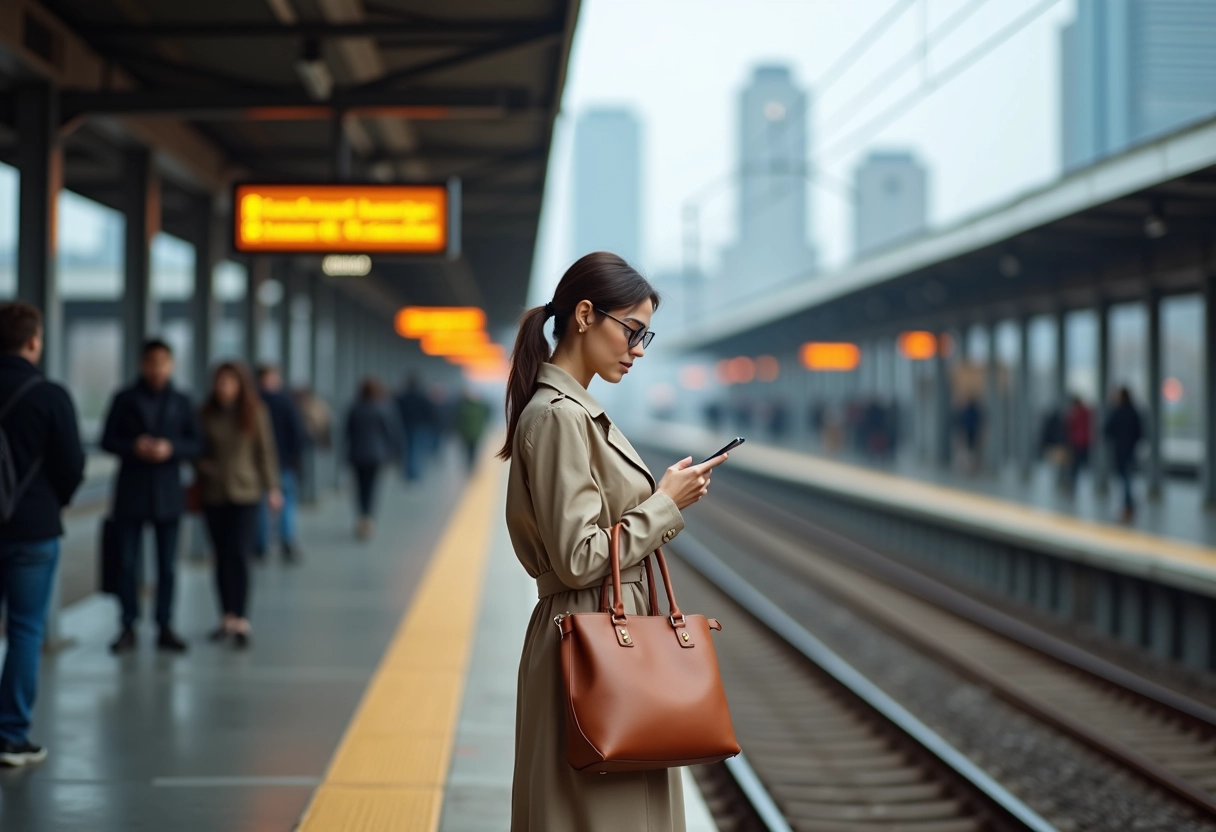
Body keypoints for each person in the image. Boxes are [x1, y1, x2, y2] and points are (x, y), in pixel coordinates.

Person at [501, 252, 727, 830]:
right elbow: (579, 558)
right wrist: (665, 503)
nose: (638, 349)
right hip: (589, 642)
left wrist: (662, 501)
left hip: (601, 636)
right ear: (584, 315)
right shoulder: (559, 417)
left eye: (644, 335)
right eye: (631, 330)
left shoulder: (573, 412)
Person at [0, 302, 85, 767]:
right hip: (33, 528)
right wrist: (55, 501)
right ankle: (10, 735)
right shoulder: (49, 395)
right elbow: (71, 464)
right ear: (34, 341)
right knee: (25, 629)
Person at [100, 339, 202, 654]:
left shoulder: (182, 401)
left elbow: (198, 443)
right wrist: (134, 446)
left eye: (162, 363)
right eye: (151, 362)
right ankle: (127, 623)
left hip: (168, 492)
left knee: (167, 566)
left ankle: (164, 624)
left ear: (171, 365)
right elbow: (106, 439)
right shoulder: (124, 398)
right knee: (126, 563)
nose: (157, 369)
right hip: (132, 490)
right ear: (142, 364)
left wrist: (171, 449)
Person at [196, 362, 281, 649]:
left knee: (240, 553)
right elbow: (195, 447)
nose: (224, 388)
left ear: (241, 385)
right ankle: (226, 616)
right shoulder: (206, 413)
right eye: (220, 382)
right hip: (214, 492)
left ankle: (242, 617)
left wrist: (272, 487)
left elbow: (265, 451)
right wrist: (201, 465)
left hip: (246, 492)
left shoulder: (255, 412)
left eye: (230, 382)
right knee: (220, 555)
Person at [255, 364, 308, 563]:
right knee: (286, 502)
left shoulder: (253, 401)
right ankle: (286, 541)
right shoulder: (286, 402)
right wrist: (295, 458)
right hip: (284, 461)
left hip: (259, 464)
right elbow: (297, 434)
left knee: (261, 503)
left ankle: (260, 545)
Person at [346, 378, 401, 540]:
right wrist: (394, 453)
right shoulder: (383, 408)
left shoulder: (355, 408)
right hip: (377, 455)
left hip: (357, 454)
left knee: (359, 487)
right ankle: (368, 518)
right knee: (371, 488)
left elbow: (348, 432)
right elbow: (391, 433)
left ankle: (362, 516)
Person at [1105, 387, 1144, 522]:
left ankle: (1128, 506)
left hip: (1119, 450)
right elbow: (1140, 432)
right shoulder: (1134, 412)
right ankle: (1130, 504)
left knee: (1124, 479)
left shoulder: (1117, 411)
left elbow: (1107, 429)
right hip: (1131, 450)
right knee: (1128, 478)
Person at [395, 375, 435, 482]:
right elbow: (428, 411)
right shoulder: (422, 397)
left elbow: (397, 411)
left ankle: (408, 472)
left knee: (407, 448)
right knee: (417, 449)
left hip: (405, 425)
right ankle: (414, 473)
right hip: (419, 426)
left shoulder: (402, 397)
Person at [454, 387, 491, 471]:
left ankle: (470, 464)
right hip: (466, 433)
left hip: (474, 433)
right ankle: (468, 464)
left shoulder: (480, 406)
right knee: (466, 450)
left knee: (472, 450)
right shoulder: (464, 406)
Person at [1065, 395, 1092, 492]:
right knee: (1081, 464)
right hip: (1085, 442)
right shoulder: (1086, 412)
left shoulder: (1074, 413)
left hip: (1076, 442)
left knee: (1074, 465)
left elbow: (1069, 426)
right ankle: (1076, 484)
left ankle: (1072, 484)